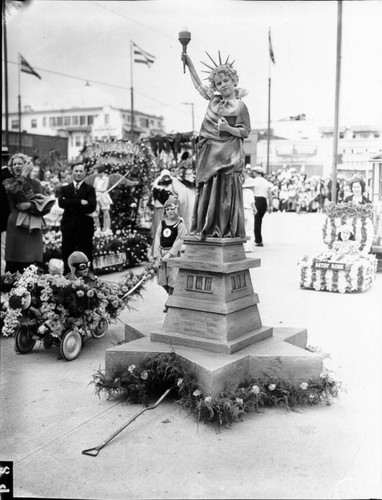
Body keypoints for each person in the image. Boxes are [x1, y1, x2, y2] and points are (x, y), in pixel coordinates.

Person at [182, 52, 251, 239]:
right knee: (208, 190)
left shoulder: (240, 106)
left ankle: (224, 230)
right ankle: (204, 228)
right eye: (219, 83)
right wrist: (189, 63)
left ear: (234, 80)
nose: (223, 85)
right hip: (209, 154)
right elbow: (198, 85)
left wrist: (228, 128)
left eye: (226, 80)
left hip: (228, 156)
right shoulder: (214, 100)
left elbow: (245, 131)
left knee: (225, 195)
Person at [3, 154, 54, 273]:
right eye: (14, 164)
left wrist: (30, 205)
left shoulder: (36, 183)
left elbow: (45, 207)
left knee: (32, 260)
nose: (16, 166)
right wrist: (23, 176)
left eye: (20, 163)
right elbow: (14, 191)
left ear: (27, 165)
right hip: (16, 225)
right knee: (14, 260)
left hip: (33, 225)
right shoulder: (8, 182)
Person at [58, 161, 97, 275]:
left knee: (86, 254)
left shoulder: (90, 189)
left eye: (81, 171)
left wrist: (70, 205)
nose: (78, 173)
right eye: (76, 171)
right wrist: (79, 201)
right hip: (68, 226)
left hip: (84, 227)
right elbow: (61, 203)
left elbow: (91, 206)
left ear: (85, 173)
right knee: (67, 253)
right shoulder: (65, 189)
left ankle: (89, 279)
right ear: (72, 172)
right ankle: (67, 279)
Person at [153, 196, 187, 312]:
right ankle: (171, 296)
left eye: (172, 209)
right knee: (162, 279)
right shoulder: (162, 223)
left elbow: (179, 240)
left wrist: (170, 254)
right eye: (167, 209)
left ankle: (170, 301)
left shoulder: (180, 224)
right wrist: (157, 254)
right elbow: (158, 237)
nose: (170, 212)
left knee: (173, 279)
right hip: (162, 254)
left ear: (177, 210)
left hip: (173, 255)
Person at [251, 166, 273, 247]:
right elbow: (270, 194)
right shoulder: (266, 182)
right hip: (263, 201)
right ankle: (258, 238)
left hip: (256, 200)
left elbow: (251, 191)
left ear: (255, 172)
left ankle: (258, 240)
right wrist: (270, 205)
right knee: (259, 220)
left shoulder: (254, 181)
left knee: (256, 221)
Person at [93, 165, 113, 235]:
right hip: (96, 196)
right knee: (95, 213)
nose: (95, 172)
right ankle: (98, 228)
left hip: (103, 196)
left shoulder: (106, 178)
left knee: (106, 212)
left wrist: (97, 190)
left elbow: (104, 189)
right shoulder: (96, 179)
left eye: (96, 171)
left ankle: (107, 228)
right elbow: (94, 187)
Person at [242, 174, 256, 252]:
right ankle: (248, 247)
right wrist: (255, 209)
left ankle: (243, 246)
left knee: (243, 229)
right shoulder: (250, 192)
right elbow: (251, 202)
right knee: (249, 229)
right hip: (248, 210)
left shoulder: (240, 191)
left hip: (241, 211)